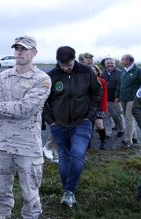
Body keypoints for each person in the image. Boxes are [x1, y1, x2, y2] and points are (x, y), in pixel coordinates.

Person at [0, 36, 51, 219]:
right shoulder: (3, 76)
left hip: (27, 145)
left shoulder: (42, 79)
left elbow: (26, 109)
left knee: (30, 193)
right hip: (2, 142)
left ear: (34, 53)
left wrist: (1, 107)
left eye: (24, 49)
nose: (19, 52)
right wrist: (2, 106)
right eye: (17, 49)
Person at [43, 46, 101, 208]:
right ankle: (68, 192)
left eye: (68, 64)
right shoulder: (51, 76)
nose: (66, 68)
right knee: (64, 158)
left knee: (77, 154)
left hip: (82, 122)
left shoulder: (86, 72)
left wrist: (90, 117)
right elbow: (42, 101)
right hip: (59, 125)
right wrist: (51, 121)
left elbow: (97, 93)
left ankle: (69, 190)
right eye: (62, 65)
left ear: (74, 59)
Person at [115, 54, 141, 148]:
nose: (121, 61)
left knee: (129, 118)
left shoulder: (138, 71)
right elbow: (119, 84)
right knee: (127, 117)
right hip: (123, 98)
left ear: (129, 61)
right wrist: (117, 96)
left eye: (123, 60)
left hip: (133, 99)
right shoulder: (123, 71)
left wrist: (138, 97)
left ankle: (128, 140)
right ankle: (134, 137)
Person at [101, 57, 125, 138]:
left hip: (115, 99)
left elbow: (122, 86)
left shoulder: (120, 73)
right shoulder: (102, 74)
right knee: (106, 116)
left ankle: (121, 129)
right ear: (105, 65)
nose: (110, 64)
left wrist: (119, 97)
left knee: (117, 116)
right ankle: (108, 132)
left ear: (115, 64)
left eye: (111, 63)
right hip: (104, 99)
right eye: (108, 63)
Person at [92, 65, 108, 149]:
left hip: (98, 107)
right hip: (87, 106)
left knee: (99, 125)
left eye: (94, 70)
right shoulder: (85, 81)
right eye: (91, 70)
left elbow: (104, 96)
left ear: (97, 72)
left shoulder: (102, 81)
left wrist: (104, 108)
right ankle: (87, 144)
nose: (92, 71)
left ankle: (103, 141)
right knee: (88, 125)